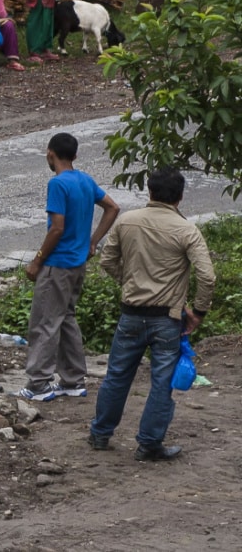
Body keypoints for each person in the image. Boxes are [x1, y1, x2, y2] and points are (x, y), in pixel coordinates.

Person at [89, 168, 215, 461]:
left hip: (131, 314)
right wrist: (198, 312)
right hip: (167, 319)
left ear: (150, 191)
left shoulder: (127, 221)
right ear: (181, 197)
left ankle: (100, 434)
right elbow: (207, 277)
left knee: (117, 376)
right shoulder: (186, 230)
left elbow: (107, 260)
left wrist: (129, 281)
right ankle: (149, 444)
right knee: (161, 382)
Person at [18, 132, 120, 401]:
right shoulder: (85, 180)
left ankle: (38, 383)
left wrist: (38, 259)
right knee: (66, 319)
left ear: (50, 153)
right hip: (77, 263)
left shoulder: (58, 184)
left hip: (57, 264)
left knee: (44, 322)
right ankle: (73, 379)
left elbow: (57, 228)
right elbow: (112, 207)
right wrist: (93, 242)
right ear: (74, 155)